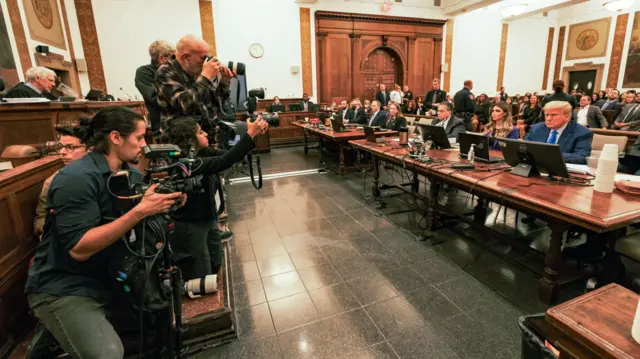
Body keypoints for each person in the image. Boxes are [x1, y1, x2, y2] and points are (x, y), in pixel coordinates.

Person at [25, 106, 185, 359]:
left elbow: (139, 214)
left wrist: (166, 201)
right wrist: (140, 211)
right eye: (139, 138)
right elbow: (79, 248)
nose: (144, 145)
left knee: (156, 322)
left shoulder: (127, 174)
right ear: (115, 137)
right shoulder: (75, 178)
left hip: (109, 277)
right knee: (107, 354)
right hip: (66, 285)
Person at [164, 116, 267, 281]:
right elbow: (222, 162)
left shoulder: (203, 152)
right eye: (200, 132)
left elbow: (229, 156)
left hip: (209, 218)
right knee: (200, 275)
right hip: (191, 225)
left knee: (215, 263)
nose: (205, 134)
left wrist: (251, 136)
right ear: (189, 140)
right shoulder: (183, 164)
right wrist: (249, 134)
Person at [155, 34, 235, 142]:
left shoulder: (196, 72)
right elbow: (184, 104)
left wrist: (224, 82)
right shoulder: (165, 72)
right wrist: (205, 77)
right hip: (182, 142)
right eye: (203, 58)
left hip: (205, 138)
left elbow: (215, 102)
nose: (206, 62)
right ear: (186, 57)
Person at [34, 119, 90, 237]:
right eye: (60, 147)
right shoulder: (52, 181)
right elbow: (41, 217)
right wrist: (46, 231)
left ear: (89, 149)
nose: (62, 152)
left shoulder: (102, 172)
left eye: (70, 147)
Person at [524, 101, 593, 164]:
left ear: (567, 117)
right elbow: (523, 148)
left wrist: (548, 155)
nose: (548, 118)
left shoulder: (582, 133)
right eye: (546, 115)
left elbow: (582, 157)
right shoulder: (536, 128)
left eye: (553, 115)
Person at [135, 40, 175, 136]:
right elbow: (155, 98)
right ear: (161, 58)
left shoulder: (175, 72)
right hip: (163, 128)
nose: (176, 61)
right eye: (173, 57)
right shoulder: (144, 72)